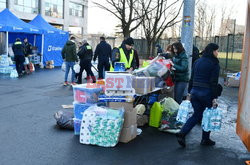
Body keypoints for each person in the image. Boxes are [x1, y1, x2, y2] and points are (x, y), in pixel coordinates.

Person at [176, 43, 221, 148]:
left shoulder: (197, 61)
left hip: (195, 92)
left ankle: (182, 133)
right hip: (206, 93)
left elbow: (192, 78)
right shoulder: (214, 63)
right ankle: (205, 139)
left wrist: (189, 92)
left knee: (197, 115)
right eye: (217, 51)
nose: (217, 53)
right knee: (208, 115)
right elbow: (213, 82)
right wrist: (214, 98)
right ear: (213, 51)